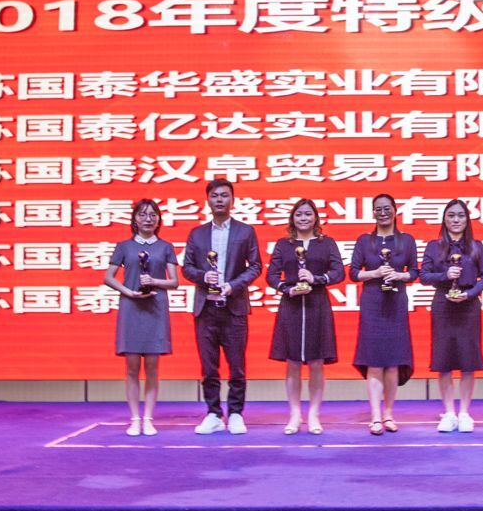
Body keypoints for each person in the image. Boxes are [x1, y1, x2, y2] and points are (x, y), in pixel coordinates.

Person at [182, 179, 262, 435]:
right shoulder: (197, 233)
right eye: (215, 195)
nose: (219, 200)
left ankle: (236, 412)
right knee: (208, 366)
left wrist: (233, 285)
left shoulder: (245, 231)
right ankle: (214, 413)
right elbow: (187, 268)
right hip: (205, 308)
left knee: (236, 365)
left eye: (224, 195)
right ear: (208, 200)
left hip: (234, 306)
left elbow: (256, 266)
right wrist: (203, 276)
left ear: (232, 200)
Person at [102, 198, 179, 437]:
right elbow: (109, 277)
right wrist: (129, 292)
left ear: (159, 220)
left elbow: (174, 282)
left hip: (155, 307)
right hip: (131, 307)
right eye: (143, 215)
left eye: (153, 215)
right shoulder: (124, 246)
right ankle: (135, 419)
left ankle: (148, 418)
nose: (148, 219)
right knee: (132, 366)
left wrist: (154, 281)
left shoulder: (165, 247)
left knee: (153, 367)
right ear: (135, 219)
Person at [267, 199, 345, 435]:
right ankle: (294, 414)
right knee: (292, 362)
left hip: (317, 305)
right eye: (299, 214)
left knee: (317, 362)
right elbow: (271, 276)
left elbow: (339, 272)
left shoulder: (326, 243)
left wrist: (316, 279)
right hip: (291, 306)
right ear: (292, 218)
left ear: (315, 218)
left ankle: (313, 414)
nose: (303, 218)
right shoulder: (284, 244)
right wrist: (287, 289)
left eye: (308, 214)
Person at [348, 193, 418, 436]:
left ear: (395, 210)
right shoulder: (364, 241)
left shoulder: (406, 240)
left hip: (396, 303)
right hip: (372, 304)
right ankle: (375, 417)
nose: (383, 213)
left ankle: (388, 414)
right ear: (373, 213)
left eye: (387, 208)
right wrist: (375, 274)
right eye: (378, 209)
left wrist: (399, 275)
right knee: (375, 362)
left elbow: (415, 272)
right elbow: (354, 273)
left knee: (393, 362)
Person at [420, 199, 483, 433]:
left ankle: (465, 413)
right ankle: (449, 412)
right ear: (444, 219)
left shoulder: (476, 246)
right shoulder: (434, 246)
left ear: (467, 219)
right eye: (451, 215)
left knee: (468, 360)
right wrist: (444, 275)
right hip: (443, 305)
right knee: (444, 360)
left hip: (468, 306)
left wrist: (470, 294)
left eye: (461, 215)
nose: (456, 220)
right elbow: (424, 276)